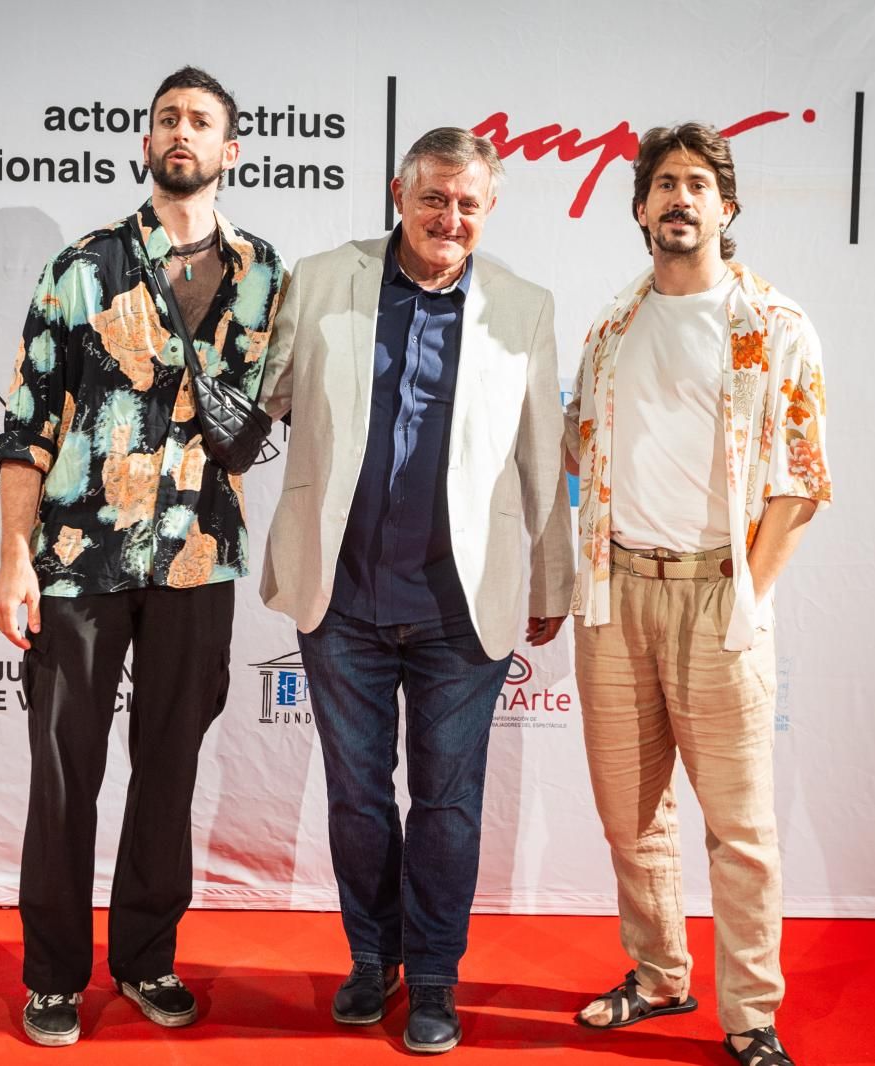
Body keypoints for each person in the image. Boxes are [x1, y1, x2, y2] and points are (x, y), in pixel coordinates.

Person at [259, 126, 573, 1055]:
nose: (450, 218)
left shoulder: (523, 304)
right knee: (358, 801)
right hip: (342, 600)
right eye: (434, 198)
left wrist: (553, 578)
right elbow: (264, 395)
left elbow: (541, 459)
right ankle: (372, 959)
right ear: (400, 194)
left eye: (469, 203)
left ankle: (435, 980)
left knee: (448, 804)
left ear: (490, 209)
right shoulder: (321, 279)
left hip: (460, 609)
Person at [0, 66, 285, 1048]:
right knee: (64, 769)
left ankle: (148, 957)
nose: (181, 132)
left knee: (168, 768)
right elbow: (28, 424)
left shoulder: (263, 275)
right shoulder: (81, 265)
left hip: (198, 554)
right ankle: (52, 976)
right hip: (78, 553)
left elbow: (264, 418)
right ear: (146, 140)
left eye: (201, 121)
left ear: (230, 149)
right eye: (167, 118)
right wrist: (12, 558)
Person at [565, 122, 831, 1066]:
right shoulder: (609, 326)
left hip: (722, 592)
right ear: (640, 209)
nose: (681, 197)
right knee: (629, 817)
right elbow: (575, 457)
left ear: (728, 205)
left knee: (742, 828)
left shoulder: (776, 327)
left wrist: (749, 600)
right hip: (615, 595)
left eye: (699, 183)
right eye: (664, 184)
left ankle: (752, 1014)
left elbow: (801, 483)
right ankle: (658, 974)